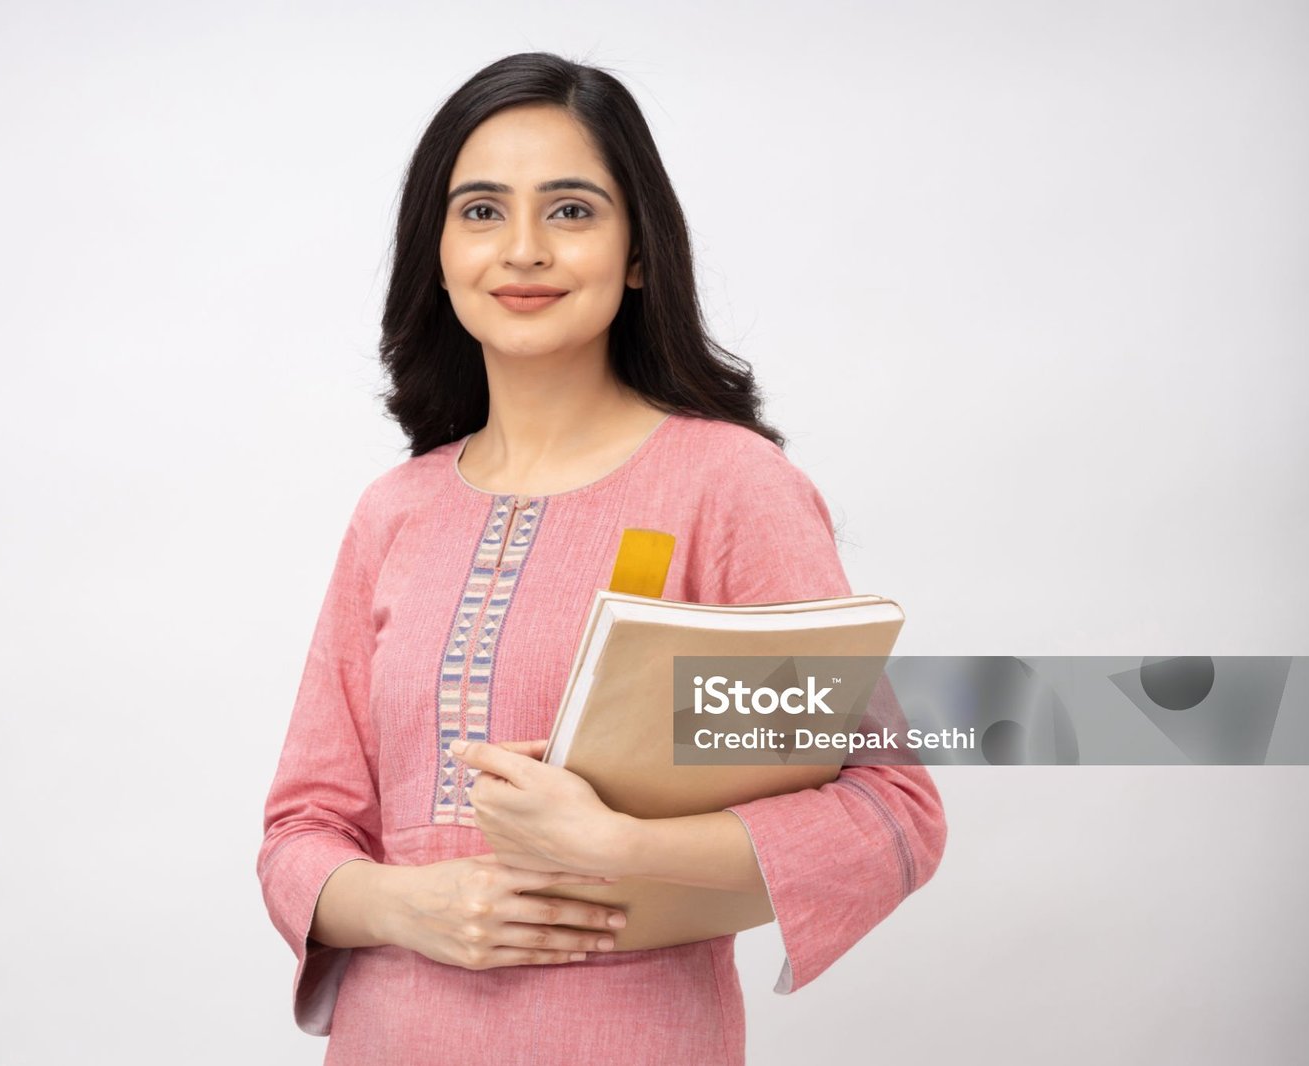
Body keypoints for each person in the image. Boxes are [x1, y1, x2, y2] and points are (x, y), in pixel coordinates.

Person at [257, 52, 947, 1065]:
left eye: (571, 210)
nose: (523, 249)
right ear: (437, 253)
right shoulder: (393, 513)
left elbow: (886, 803)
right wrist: (412, 905)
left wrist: (620, 848)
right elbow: (301, 829)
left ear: (636, 253)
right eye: (481, 211)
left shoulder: (728, 486)